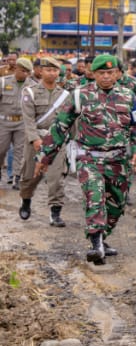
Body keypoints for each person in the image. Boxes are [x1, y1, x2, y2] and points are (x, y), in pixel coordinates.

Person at [35, 54, 136, 264]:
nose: (106, 77)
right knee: (95, 198)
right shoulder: (79, 95)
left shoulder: (128, 96)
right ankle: (96, 246)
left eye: (110, 73)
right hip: (89, 158)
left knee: (117, 205)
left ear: (117, 74)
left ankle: (102, 239)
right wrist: (44, 156)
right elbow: (60, 126)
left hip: (118, 160)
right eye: (101, 73)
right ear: (93, 74)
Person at [19, 56, 69, 225]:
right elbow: (28, 119)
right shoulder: (30, 92)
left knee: (56, 178)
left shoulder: (65, 95)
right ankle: (26, 200)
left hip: (56, 141)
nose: (52, 73)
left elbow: (70, 120)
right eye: (48, 70)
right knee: (29, 177)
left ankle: (55, 212)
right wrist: (35, 139)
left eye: (55, 70)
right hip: (35, 141)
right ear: (40, 71)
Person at [1, 58, 32, 193]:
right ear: (17, 69)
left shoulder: (32, 86)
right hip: (4, 122)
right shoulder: (3, 82)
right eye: (22, 71)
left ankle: (16, 177)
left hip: (21, 123)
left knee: (20, 151)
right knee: (1, 150)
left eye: (27, 71)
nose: (25, 74)